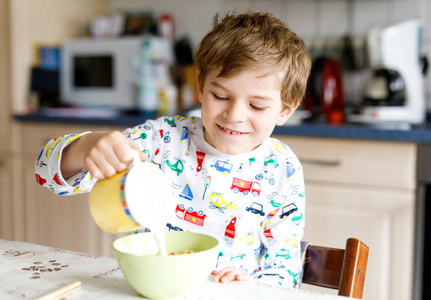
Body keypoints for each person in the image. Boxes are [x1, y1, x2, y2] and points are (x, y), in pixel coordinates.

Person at [34, 11, 311, 288]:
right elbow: (46, 177)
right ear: (201, 87)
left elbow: (284, 268)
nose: (235, 114)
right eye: (221, 96)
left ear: (286, 110)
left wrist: (252, 285)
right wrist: (84, 148)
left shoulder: (282, 168)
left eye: (257, 105)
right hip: (155, 288)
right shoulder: (161, 140)